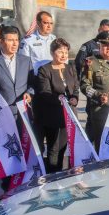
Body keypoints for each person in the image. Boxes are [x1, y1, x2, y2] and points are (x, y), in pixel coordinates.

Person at [0, 25, 33, 190]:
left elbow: (32, 84)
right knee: (8, 149)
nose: (15, 43)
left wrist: (29, 93)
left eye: (16, 40)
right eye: (10, 40)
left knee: (24, 148)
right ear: (1, 41)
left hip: (23, 113)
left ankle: (24, 179)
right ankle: (8, 184)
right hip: (4, 115)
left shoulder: (26, 60)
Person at [33, 38, 79, 172]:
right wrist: (60, 99)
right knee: (54, 148)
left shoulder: (70, 68)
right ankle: (52, 175)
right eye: (60, 52)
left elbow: (76, 87)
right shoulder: (44, 70)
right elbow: (44, 92)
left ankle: (60, 173)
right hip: (51, 116)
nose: (64, 55)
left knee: (63, 147)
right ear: (52, 53)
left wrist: (75, 98)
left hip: (67, 116)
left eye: (66, 52)